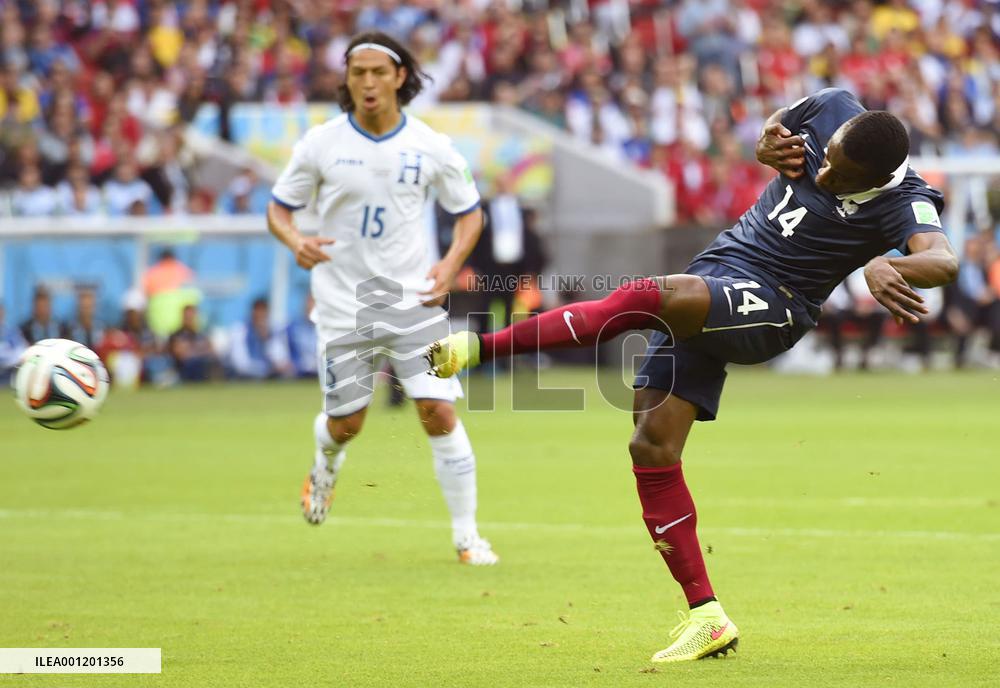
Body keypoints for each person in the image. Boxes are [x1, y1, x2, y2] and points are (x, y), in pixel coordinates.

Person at [428, 88, 959, 660]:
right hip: (720, 269)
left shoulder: (905, 200)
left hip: (774, 304)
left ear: (874, 177)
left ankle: (479, 348)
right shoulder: (835, 106)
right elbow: (779, 121)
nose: (822, 170)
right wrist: (766, 138)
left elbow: (944, 259)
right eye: (824, 156)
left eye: (839, 171)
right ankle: (707, 616)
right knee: (651, 446)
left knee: (652, 294)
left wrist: (887, 262)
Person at [266, 31, 497, 565]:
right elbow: (279, 208)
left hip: (412, 301)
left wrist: (450, 264)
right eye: (357, 73)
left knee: (438, 411)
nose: (367, 83)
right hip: (343, 305)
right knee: (347, 424)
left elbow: (470, 212)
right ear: (347, 80)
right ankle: (325, 467)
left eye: (377, 72)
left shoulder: (431, 145)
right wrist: (295, 239)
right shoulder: (321, 144)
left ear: (399, 77)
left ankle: (468, 537)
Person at [228, 297, 293, 380]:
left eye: (263, 312)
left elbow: (281, 359)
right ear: (252, 312)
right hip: (243, 379)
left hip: (268, 378)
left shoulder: (273, 331)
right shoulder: (239, 331)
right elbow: (240, 365)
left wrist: (266, 341)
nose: (260, 316)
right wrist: (265, 369)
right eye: (257, 311)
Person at [168, 304, 219, 382]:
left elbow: (211, 350)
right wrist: (199, 351)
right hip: (186, 368)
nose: (190, 318)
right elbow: (180, 355)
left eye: (192, 316)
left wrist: (195, 351)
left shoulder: (202, 334)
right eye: (187, 316)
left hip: (203, 363)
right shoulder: (177, 334)